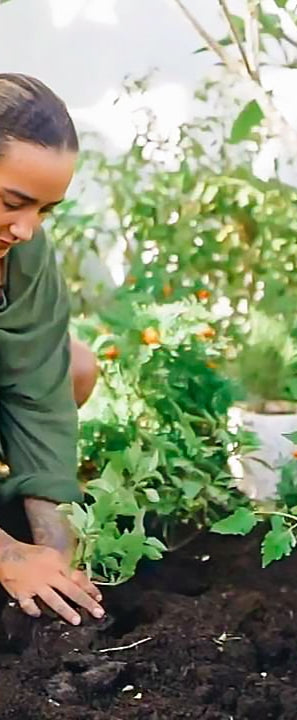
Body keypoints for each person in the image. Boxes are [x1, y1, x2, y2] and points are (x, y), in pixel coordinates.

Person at [0, 73, 105, 627]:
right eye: (12, 202)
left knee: (76, 366)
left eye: (45, 209)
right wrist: (10, 556)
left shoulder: (25, 253)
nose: (27, 228)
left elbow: (41, 396)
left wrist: (57, 550)